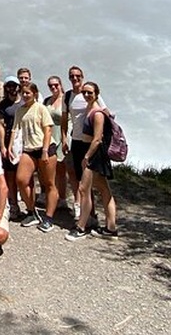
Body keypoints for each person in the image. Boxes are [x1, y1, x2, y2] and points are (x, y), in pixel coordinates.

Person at [66, 82, 118, 241]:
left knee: (83, 189)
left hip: (95, 154)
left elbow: (97, 139)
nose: (86, 95)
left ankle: (81, 227)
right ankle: (111, 229)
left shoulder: (97, 114)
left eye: (90, 92)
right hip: (94, 153)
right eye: (84, 92)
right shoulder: (90, 109)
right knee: (104, 189)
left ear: (96, 94)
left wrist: (87, 157)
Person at [10, 82, 58, 231]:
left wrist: (44, 150)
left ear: (35, 94)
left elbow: (48, 130)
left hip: (45, 148)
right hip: (29, 149)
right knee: (21, 180)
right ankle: (32, 211)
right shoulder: (20, 110)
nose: (25, 96)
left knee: (48, 183)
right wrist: (11, 146)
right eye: (23, 93)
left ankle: (49, 218)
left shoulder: (41, 108)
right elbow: (15, 130)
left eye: (28, 93)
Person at [60, 65, 106, 220]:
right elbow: (64, 119)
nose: (75, 78)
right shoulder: (67, 97)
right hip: (77, 141)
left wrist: (101, 135)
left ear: (82, 76)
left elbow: (105, 113)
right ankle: (89, 215)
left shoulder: (90, 93)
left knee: (92, 181)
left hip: (90, 142)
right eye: (72, 76)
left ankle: (90, 217)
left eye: (77, 75)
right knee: (81, 179)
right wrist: (64, 137)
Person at [0, 76, 23, 218]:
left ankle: (29, 205)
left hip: (23, 141)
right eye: (9, 86)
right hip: (8, 141)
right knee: (10, 175)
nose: (12, 89)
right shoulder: (3, 105)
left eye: (14, 86)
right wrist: (2, 146)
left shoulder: (25, 101)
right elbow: (0, 125)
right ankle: (13, 204)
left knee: (24, 176)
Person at [44, 75, 71, 211]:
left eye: (56, 85)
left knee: (62, 167)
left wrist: (65, 138)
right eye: (50, 85)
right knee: (50, 167)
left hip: (62, 134)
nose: (53, 87)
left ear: (60, 85)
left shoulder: (66, 99)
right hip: (50, 135)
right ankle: (50, 195)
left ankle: (62, 198)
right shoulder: (47, 101)